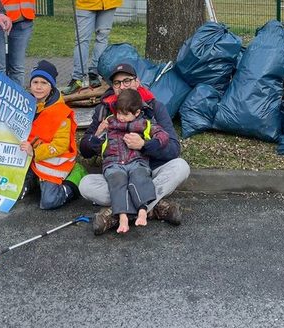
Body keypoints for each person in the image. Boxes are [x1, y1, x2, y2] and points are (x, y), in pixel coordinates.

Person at [79, 62, 190, 234]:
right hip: (117, 174)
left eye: (127, 81)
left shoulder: (153, 107)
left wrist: (144, 145)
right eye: (117, 83)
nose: (122, 86)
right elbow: (84, 149)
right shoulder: (104, 110)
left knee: (181, 166)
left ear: (137, 82)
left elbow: (173, 148)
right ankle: (152, 206)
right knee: (85, 185)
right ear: (113, 87)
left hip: (147, 171)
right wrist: (97, 137)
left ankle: (117, 213)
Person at [94, 88, 169, 233]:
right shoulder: (109, 122)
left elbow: (163, 136)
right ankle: (123, 217)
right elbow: (93, 142)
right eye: (119, 113)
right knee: (117, 182)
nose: (121, 117)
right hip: (114, 163)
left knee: (140, 178)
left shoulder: (145, 124)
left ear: (137, 113)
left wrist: (146, 144)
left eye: (125, 114)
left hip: (136, 161)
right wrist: (98, 132)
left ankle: (142, 211)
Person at [19, 60, 87, 210]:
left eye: (44, 83)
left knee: (49, 202)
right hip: (31, 159)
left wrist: (35, 152)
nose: (38, 86)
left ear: (51, 87)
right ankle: (33, 180)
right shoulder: (26, 105)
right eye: (35, 82)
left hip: (52, 162)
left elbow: (61, 145)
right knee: (14, 191)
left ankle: (76, 175)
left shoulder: (60, 112)